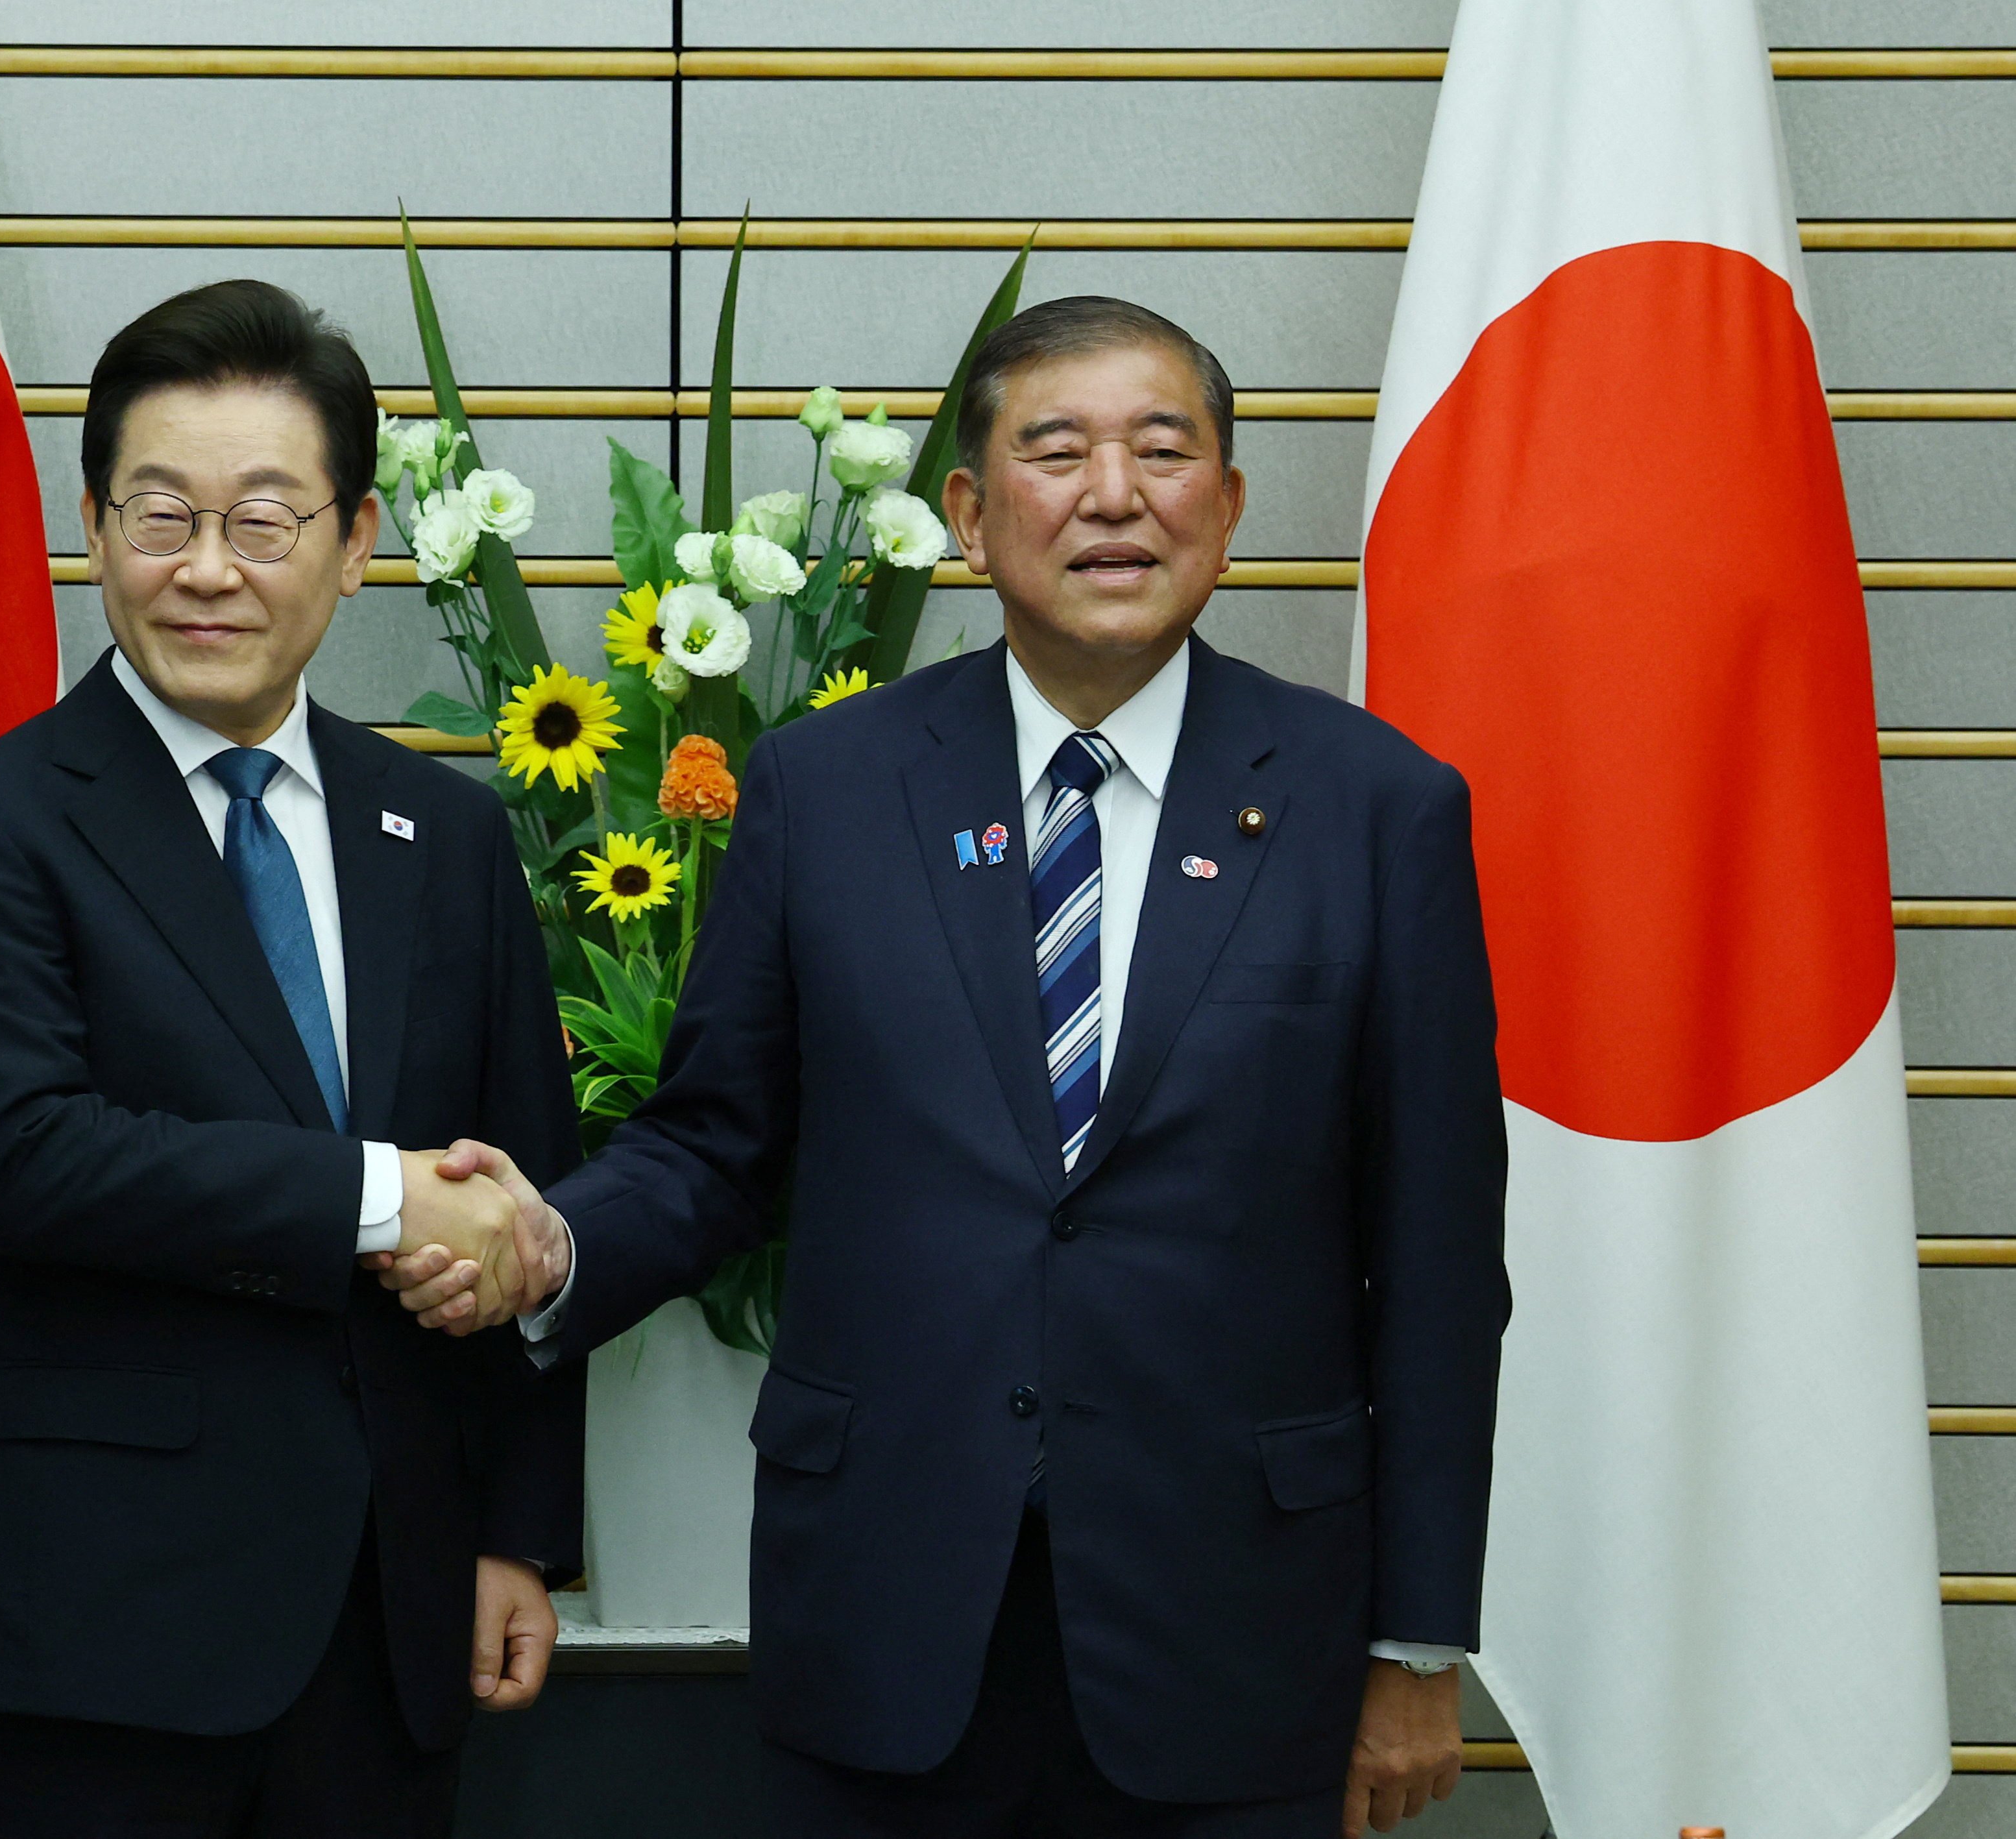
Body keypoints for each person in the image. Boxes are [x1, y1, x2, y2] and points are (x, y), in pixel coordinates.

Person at [391, 297, 1511, 1839]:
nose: (1112, 494)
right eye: (1056, 451)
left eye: (1162, 450)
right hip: (887, 1616)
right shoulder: (826, 790)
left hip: (1239, 1638)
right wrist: (554, 1241)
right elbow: (717, 1142)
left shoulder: (1376, 809)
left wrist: (1414, 1643)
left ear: (1230, 508)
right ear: (973, 520)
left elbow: (1440, 1259)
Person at [0, 278, 582, 1838]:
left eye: (263, 523)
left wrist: (517, 1532)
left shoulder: (446, 834)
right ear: (92, 523)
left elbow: (523, 1180)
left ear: (356, 540)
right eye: (160, 516)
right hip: (91, 1630)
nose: (205, 571)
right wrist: (386, 1198)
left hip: (391, 1617)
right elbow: (30, 1158)